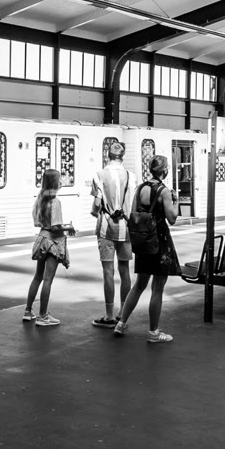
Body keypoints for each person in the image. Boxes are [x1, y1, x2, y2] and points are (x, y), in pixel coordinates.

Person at [113, 154, 179, 343]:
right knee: (157, 288)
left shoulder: (140, 188)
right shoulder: (164, 191)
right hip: (160, 241)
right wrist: (176, 201)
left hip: (143, 241)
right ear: (164, 170)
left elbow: (133, 214)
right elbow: (172, 218)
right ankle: (153, 332)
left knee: (139, 285)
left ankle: (121, 323)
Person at [88, 140, 133, 327]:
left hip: (106, 228)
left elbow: (97, 204)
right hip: (126, 229)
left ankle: (108, 315)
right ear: (123, 156)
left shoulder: (99, 175)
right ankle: (123, 313)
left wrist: (94, 212)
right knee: (125, 271)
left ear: (107, 155)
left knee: (108, 271)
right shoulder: (132, 176)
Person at [24, 169, 73, 326]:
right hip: (52, 242)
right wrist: (69, 228)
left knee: (38, 277)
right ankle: (43, 316)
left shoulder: (40, 199)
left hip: (41, 239)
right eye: (59, 179)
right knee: (48, 279)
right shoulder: (55, 201)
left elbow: (39, 223)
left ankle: (28, 311)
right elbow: (55, 226)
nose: (61, 182)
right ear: (55, 182)